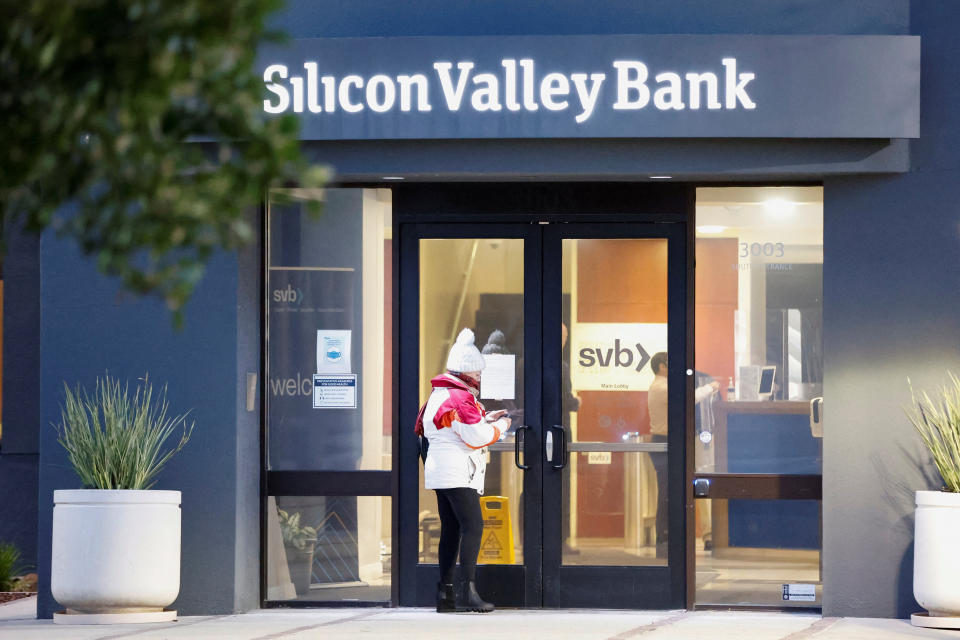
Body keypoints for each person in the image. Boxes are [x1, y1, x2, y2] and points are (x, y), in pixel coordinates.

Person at [414, 328, 511, 613]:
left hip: (442, 471)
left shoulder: (441, 394)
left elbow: (454, 428)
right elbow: (475, 437)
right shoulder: (458, 398)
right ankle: (467, 592)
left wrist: (485, 417)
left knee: (452, 529)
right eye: (478, 374)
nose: (480, 379)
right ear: (466, 373)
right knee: (474, 526)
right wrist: (501, 426)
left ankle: (445, 595)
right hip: (457, 471)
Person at [647, 351, 719, 557]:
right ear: (662, 366)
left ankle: (667, 537)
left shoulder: (660, 386)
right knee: (666, 492)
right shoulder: (662, 387)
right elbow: (689, 397)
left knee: (668, 491)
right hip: (664, 441)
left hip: (667, 440)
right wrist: (710, 387)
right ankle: (664, 538)